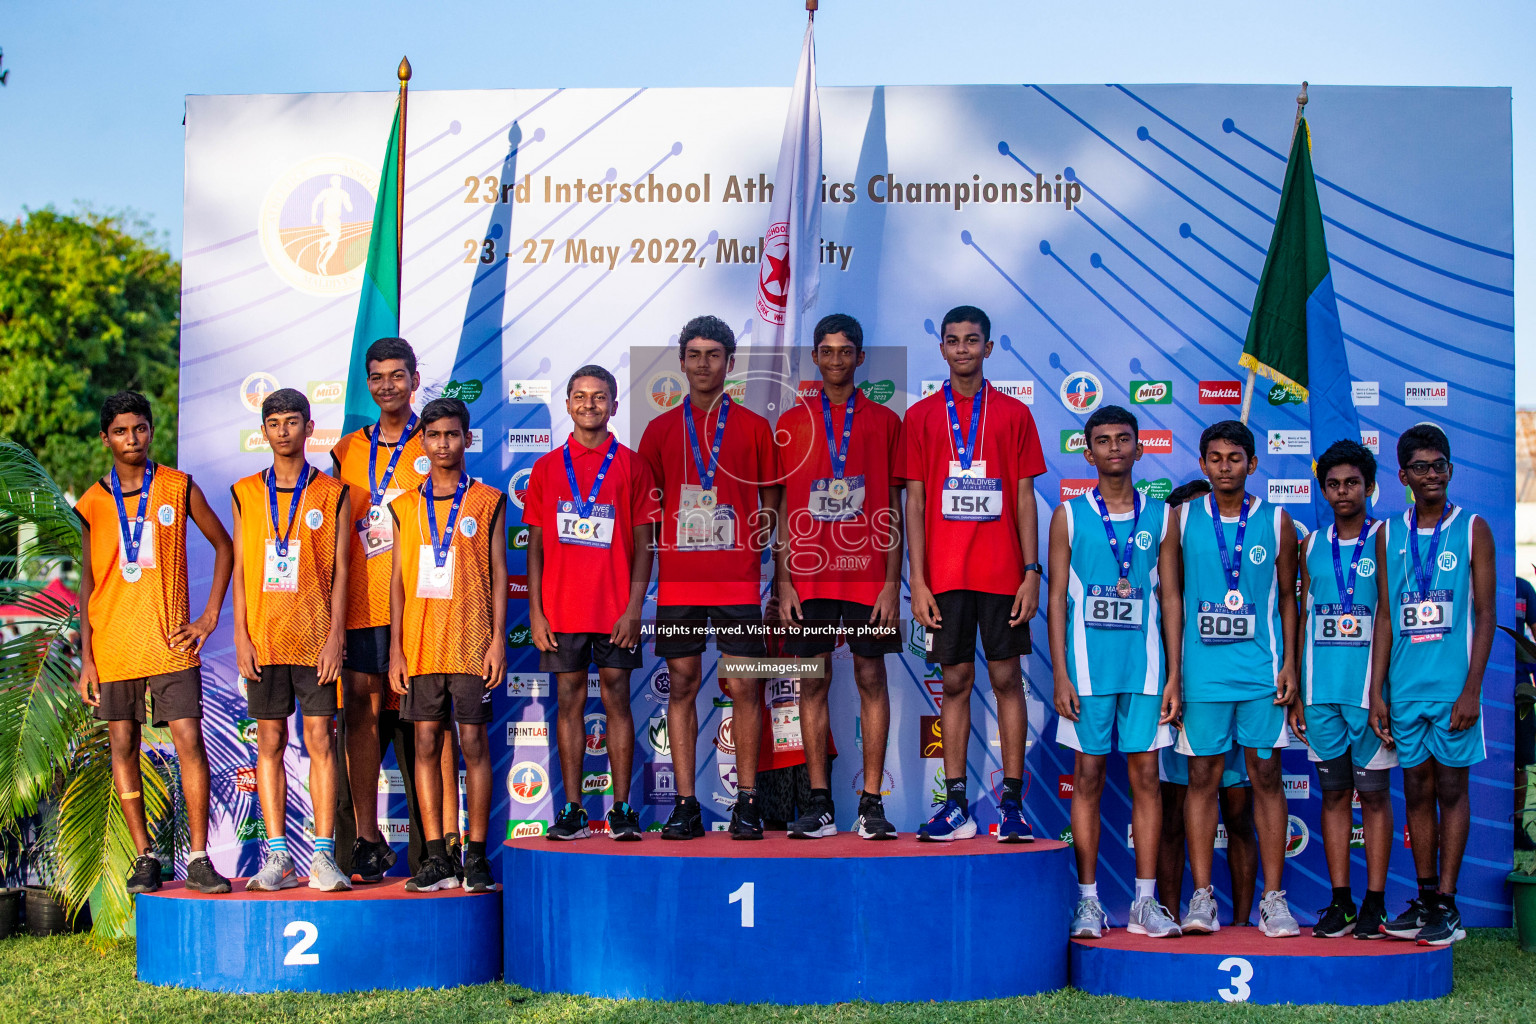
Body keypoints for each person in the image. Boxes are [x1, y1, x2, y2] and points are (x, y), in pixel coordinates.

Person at [75, 391, 234, 895]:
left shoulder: (177, 487)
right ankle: (144, 856)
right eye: (121, 431)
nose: (132, 439)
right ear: (106, 439)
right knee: (123, 745)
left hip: (170, 642)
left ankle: (201, 856)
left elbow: (224, 544)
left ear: (151, 430)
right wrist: (86, 658)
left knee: (190, 741)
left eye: (140, 428)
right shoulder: (93, 503)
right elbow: (86, 583)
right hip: (115, 644)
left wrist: (208, 617)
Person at [904, 305, 1045, 842]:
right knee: (955, 681)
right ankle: (957, 804)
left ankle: (1011, 805)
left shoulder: (1013, 414)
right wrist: (918, 580)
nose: (963, 348)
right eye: (953, 340)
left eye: (973, 340)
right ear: (941, 349)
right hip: (945, 575)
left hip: (1004, 572)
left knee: (1008, 679)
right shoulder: (920, 417)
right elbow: (914, 502)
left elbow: (1026, 498)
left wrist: (1031, 570)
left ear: (989, 348)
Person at [639, 315, 778, 840]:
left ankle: (746, 802)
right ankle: (686, 803)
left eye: (713, 355)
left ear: (729, 363)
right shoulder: (657, 431)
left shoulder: (754, 428)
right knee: (682, 684)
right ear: (680, 363)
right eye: (694, 355)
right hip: (678, 584)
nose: (703, 364)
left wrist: (751, 547)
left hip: (737, 583)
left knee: (745, 685)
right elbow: (647, 513)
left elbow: (770, 502)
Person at [1050, 405, 1181, 938]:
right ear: (1089, 452)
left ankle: (1145, 903)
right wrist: (1060, 673)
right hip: (1087, 671)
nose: (1113, 449)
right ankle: (1088, 902)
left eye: (1123, 439)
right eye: (1102, 441)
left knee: (1146, 778)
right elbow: (1056, 598)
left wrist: (1175, 676)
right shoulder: (1069, 516)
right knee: (1087, 777)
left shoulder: (1162, 516)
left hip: (1146, 672)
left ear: (1139, 447)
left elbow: (1170, 597)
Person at [772, 313, 903, 840]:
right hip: (808, 576)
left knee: (871, 678)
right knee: (812, 681)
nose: (835, 360)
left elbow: (895, 505)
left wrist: (893, 581)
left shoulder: (886, 422)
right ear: (815, 358)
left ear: (860, 357)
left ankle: (871, 801)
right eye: (826, 351)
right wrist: (783, 579)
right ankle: (820, 801)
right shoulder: (791, 421)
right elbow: (779, 507)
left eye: (845, 351)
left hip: (868, 572)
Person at [1175, 419, 1300, 936]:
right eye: (1216, 458)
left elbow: (1290, 597)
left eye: (1235, 457)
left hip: (1261, 677)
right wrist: (1173, 674)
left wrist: (1290, 662)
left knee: (1266, 779)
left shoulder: (1277, 522)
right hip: (1202, 677)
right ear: (1203, 464)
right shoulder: (1179, 519)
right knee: (1202, 780)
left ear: (1253, 463)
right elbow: (1171, 598)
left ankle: (1275, 899)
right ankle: (1201, 898)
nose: (1225, 466)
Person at [526, 364, 659, 841]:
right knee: (568, 703)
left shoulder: (633, 465)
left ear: (614, 406)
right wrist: (536, 610)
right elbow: (534, 546)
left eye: (599, 397)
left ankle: (622, 809)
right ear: (567, 405)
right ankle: (574, 810)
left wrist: (633, 609)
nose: (589, 405)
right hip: (561, 611)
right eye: (580, 397)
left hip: (615, 611)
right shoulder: (545, 468)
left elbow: (646, 544)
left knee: (618, 699)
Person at [1373, 424, 1495, 945]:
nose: (1431, 475)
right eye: (1420, 467)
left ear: (1450, 469)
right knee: (1417, 791)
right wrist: (1375, 691)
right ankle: (1425, 900)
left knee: (1452, 789)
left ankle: (1448, 904)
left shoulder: (1472, 528)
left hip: (1452, 691)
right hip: (1404, 688)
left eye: (1439, 465)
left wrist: (1472, 689)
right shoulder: (1387, 534)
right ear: (1402, 475)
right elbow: (1383, 616)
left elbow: (1487, 614)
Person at [230, 388, 351, 892]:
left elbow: (344, 572)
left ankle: (323, 855)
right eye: (274, 423)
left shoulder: (333, 492)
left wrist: (335, 637)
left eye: (293, 422)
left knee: (321, 740)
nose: (284, 431)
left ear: (308, 427)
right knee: (271, 741)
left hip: (315, 639)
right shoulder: (243, 492)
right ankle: (278, 857)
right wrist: (240, 635)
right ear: (264, 432)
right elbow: (239, 569)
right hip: (264, 639)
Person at [329, 337, 437, 881]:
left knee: (425, 726)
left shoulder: (436, 439)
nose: (388, 385)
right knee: (363, 717)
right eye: (377, 377)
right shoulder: (347, 450)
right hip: (362, 601)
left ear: (415, 380)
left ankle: (433, 851)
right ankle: (367, 841)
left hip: (423, 603)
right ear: (367, 384)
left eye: (398, 375)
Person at [388, 398, 506, 892]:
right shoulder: (403, 506)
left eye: (452, 435)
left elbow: (500, 574)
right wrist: (395, 648)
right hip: (419, 645)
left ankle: (475, 854)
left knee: (474, 743)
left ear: (467, 439)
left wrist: (498, 639)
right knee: (425, 744)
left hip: (472, 642)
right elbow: (396, 581)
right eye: (433, 435)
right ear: (422, 442)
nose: (443, 444)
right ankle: (436, 855)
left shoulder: (488, 500)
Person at [1289, 440, 1395, 938]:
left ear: (1369, 486)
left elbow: (1390, 620)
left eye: (1352, 482)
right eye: (1333, 484)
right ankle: (1341, 901)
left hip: (1367, 695)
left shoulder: (1386, 540)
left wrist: (1381, 692)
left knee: (1373, 797)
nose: (1342, 492)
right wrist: (1296, 685)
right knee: (1333, 797)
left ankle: (1376, 901)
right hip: (1321, 692)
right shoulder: (1310, 545)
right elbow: (1303, 614)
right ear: (1322, 488)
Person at [1154, 479, 1258, 928]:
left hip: (1237, 694)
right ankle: (1174, 913)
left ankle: (1240, 924)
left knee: (1238, 813)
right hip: (1186, 704)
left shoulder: (1226, 564)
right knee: (1174, 818)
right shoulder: (1152, 575)